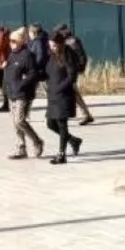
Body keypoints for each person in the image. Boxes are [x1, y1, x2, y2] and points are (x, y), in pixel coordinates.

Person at [2, 30, 44, 160]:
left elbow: (33, 74)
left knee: (19, 120)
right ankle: (21, 148)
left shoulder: (27, 55)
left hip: (23, 93)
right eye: (10, 41)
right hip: (11, 92)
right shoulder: (12, 55)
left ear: (20, 42)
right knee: (15, 123)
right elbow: (9, 71)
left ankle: (37, 141)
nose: (11, 43)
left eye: (13, 41)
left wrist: (21, 84)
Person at [44, 33, 83, 165]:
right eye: (50, 45)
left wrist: (60, 88)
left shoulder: (68, 54)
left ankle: (62, 155)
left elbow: (72, 76)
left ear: (60, 44)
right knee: (50, 124)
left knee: (62, 124)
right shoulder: (52, 56)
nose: (52, 48)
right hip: (52, 95)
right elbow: (47, 71)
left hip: (63, 95)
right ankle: (73, 140)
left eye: (54, 45)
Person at [60, 27, 95, 124]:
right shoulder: (70, 41)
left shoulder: (71, 42)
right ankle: (85, 114)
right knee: (72, 93)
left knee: (72, 93)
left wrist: (79, 68)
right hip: (69, 70)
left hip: (70, 71)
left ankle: (85, 115)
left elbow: (81, 57)